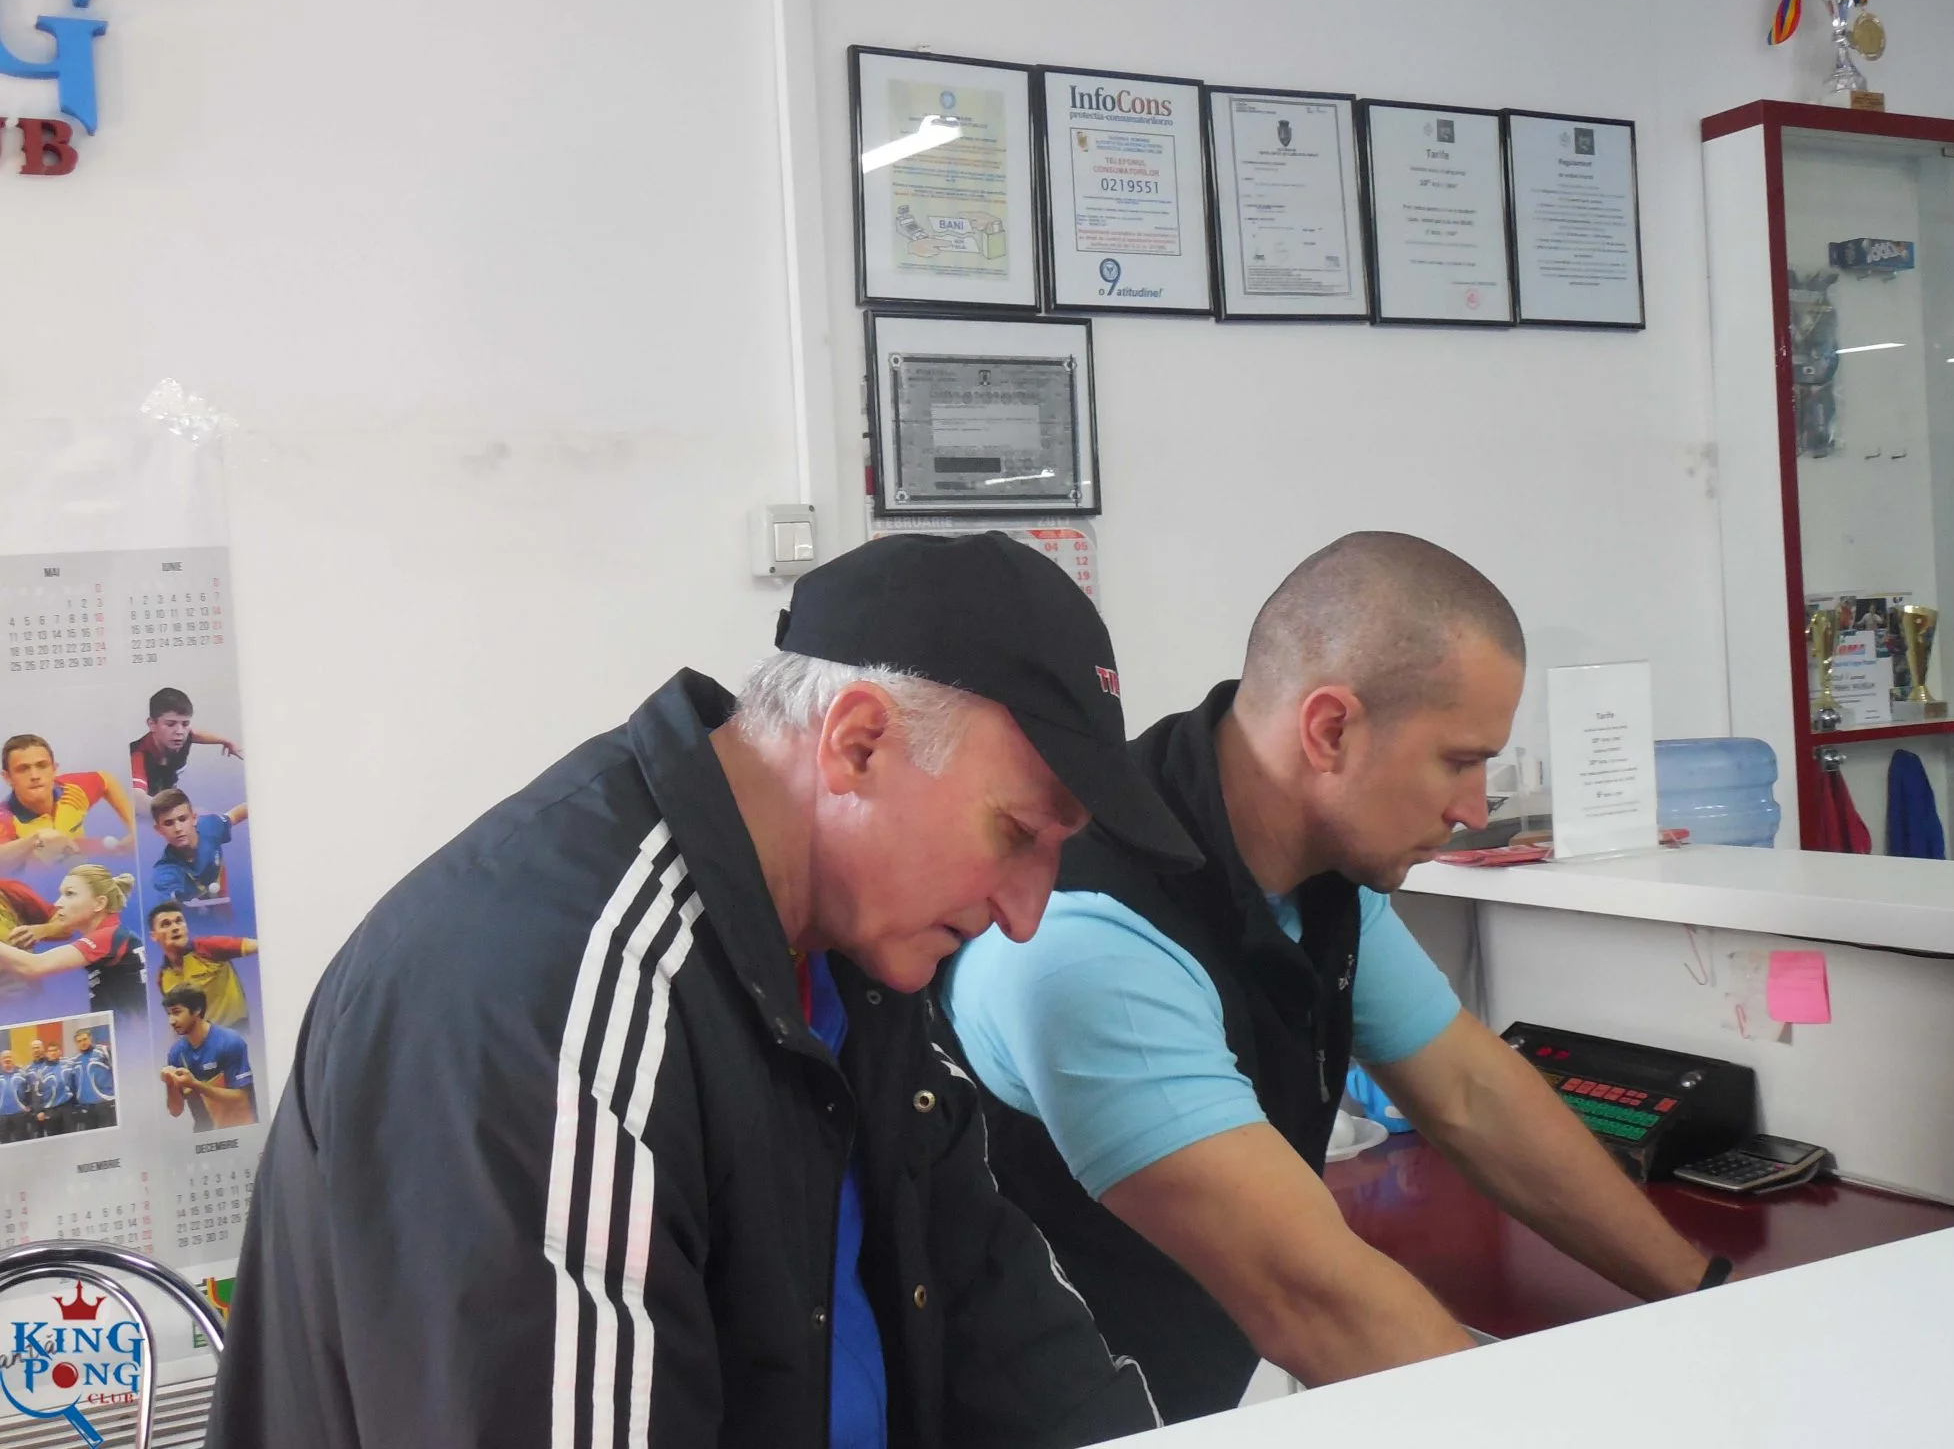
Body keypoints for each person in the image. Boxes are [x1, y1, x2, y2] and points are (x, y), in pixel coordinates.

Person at [209, 532, 1201, 1449]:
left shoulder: (854, 961)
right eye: (1016, 835)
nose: (1025, 914)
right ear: (857, 744)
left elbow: (1001, 1318)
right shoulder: (551, 994)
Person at [945, 532, 1730, 1423]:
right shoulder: (1090, 941)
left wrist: (1708, 1296)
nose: (1473, 807)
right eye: (1459, 760)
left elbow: (1472, 1092)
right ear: (1331, 731)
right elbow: (1312, 1299)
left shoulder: (1314, 873)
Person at [0, 865, 150, 1018]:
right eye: (61, 894)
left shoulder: (108, 937)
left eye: (70, 894)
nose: (58, 903)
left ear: (99, 903)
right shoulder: (116, 935)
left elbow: (33, 966)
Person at [0, 736, 136, 872]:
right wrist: (34, 840)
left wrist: (134, 829)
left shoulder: (72, 790)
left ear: (54, 769)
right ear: (7, 777)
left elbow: (106, 780)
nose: (34, 775)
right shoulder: (4, 818)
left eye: (42, 766)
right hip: (38, 880)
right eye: (23, 769)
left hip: (85, 868)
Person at [147, 902, 258, 1028]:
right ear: (154, 936)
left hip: (235, 1030)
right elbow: (176, 1017)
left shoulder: (208, 948)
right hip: (200, 1037)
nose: (175, 928)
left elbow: (260, 945)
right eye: (166, 924)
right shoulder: (163, 977)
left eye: (179, 921)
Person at [161, 987, 256, 1130]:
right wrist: (170, 1084)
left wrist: (195, 1084)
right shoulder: (176, 1053)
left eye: (176, 1012)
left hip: (239, 1132)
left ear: (197, 1010)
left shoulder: (230, 1041)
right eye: (169, 1014)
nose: (171, 1021)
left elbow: (241, 1099)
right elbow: (176, 1111)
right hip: (204, 1136)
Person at [130, 686, 243, 794]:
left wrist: (226, 741)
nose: (180, 732)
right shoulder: (137, 755)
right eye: (170, 724)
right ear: (152, 724)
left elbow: (195, 734)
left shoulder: (182, 736)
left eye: (185, 724)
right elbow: (138, 797)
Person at [149, 790, 247, 909]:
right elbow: (167, 911)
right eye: (169, 823)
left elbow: (237, 814)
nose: (178, 828)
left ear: (194, 818)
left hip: (219, 887)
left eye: (182, 819)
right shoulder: (165, 873)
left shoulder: (210, 826)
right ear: (158, 830)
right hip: (190, 908)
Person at [70, 1027, 116, 1132]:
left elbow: (118, 1071)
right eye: (79, 1041)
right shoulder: (75, 1060)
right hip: (86, 1107)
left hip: (105, 1103)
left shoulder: (103, 1051)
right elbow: (73, 1084)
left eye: (85, 1039)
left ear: (90, 1038)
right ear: (76, 1044)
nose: (83, 1043)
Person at [27, 1034, 72, 1137]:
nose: (36, 1050)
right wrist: (38, 1110)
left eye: (38, 1047)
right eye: (33, 1048)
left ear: (43, 1050)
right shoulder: (29, 1070)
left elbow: (73, 1083)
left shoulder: (66, 1063)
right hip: (46, 1110)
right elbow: (35, 1092)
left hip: (65, 1107)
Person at [0, 1051, 30, 1144]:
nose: (7, 1059)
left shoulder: (22, 1074)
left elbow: (30, 1092)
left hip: (20, 1114)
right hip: (2, 1116)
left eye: (9, 1057)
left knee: (22, 1142)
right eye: (4, 1057)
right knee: (4, 1144)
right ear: (1, 1061)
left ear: (13, 1059)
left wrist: (29, 1107)